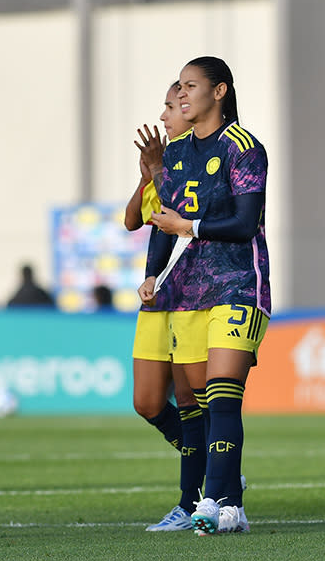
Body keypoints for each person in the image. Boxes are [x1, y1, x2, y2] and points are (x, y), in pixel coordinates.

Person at [138, 56, 269, 537]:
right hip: (189, 295)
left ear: (220, 92)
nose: (182, 94)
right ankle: (222, 499)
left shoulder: (244, 147)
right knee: (202, 405)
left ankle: (220, 505)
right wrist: (153, 274)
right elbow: (162, 220)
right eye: (182, 87)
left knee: (224, 399)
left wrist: (186, 226)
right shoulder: (175, 152)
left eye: (192, 86)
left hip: (239, 286)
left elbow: (243, 223)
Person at [126, 82, 203, 532]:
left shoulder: (199, 159)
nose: (166, 114)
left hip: (194, 292)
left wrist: (158, 171)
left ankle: (200, 495)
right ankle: (217, 468)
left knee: (192, 401)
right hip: (158, 294)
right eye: (167, 107)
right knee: (148, 401)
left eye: (173, 106)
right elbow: (133, 220)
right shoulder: (166, 161)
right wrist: (145, 175)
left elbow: (181, 213)